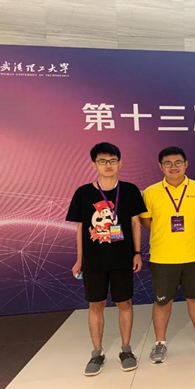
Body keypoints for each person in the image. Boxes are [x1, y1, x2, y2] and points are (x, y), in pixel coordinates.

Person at [66, 142, 146, 376]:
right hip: (94, 260)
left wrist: (137, 253)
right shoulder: (83, 193)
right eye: (102, 161)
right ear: (94, 164)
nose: (108, 165)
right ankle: (97, 352)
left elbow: (135, 223)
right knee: (96, 304)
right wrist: (79, 259)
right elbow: (81, 228)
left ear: (120, 163)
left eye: (112, 160)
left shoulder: (130, 190)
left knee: (124, 303)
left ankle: (126, 350)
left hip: (123, 258)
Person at [140, 147, 195, 363]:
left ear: (186, 164)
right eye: (168, 163)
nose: (174, 167)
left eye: (178, 162)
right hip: (162, 257)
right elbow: (146, 220)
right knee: (163, 301)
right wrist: (164, 233)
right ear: (160, 166)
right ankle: (160, 342)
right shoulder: (151, 192)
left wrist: (191, 233)